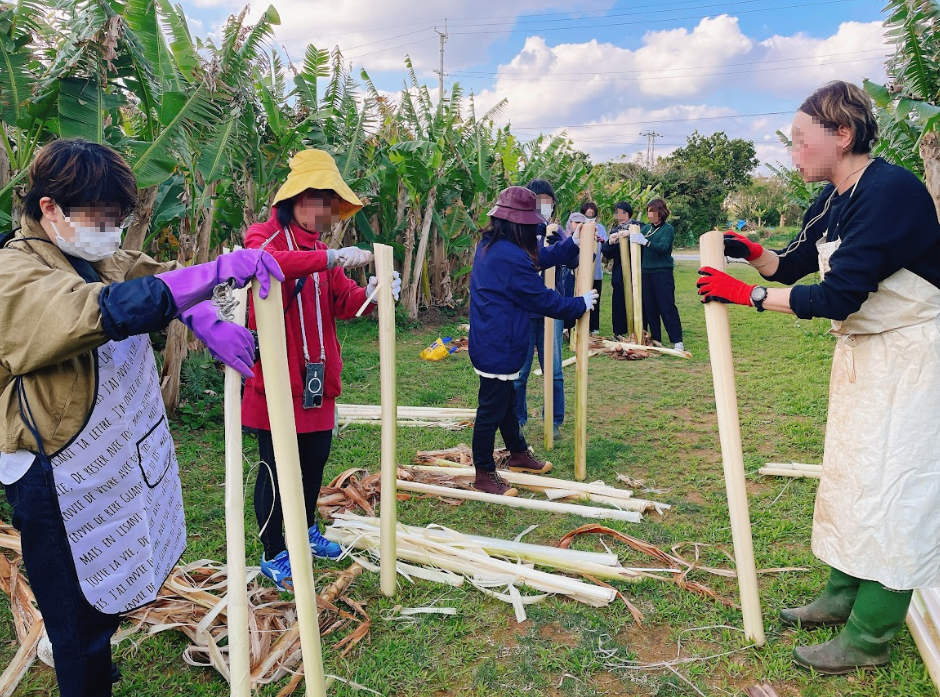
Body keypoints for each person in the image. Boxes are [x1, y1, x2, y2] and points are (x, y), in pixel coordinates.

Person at [0, 138, 282, 696]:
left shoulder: (98, 255)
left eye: (116, 219)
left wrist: (203, 313)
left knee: (108, 577)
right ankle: (82, 670)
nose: (110, 231)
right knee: (73, 603)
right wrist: (216, 273)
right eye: (98, 218)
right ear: (49, 208)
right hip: (51, 469)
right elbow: (99, 310)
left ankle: (93, 656)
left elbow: (156, 275)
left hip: (112, 460)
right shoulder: (15, 271)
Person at [696, 80, 940, 674]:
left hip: (915, 358)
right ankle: (843, 595)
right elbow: (798, 263)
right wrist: (754, 255)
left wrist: (746, 296)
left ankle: (871, 636)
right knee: (854, 475)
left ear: (844, 135)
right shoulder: (834, 196)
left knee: (897, 489)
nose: (795, 152)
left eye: (802, 141)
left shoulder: (891, 192)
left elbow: (837, 295)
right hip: (867, 357)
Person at [242, 149, 401, 590]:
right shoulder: (264, 238)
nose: (325, 213)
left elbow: (345, 303)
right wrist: (329, 260)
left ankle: (306, 530)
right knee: (276, 468)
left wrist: (374, 291)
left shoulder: (321, 249)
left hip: (317, 379)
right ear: (295, 199)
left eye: (331, 204)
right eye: (319, 201)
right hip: (277, 382)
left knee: (313, 463)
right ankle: (274, 552)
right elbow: (267, 267)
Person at [469, 187, 597, 495]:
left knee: (507, 401)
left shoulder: (493, 244)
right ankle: (484, 473)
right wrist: (579, 304)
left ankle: (517, 452)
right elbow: (542, 300)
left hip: (492, 340)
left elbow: (537, 258)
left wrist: (572, 244)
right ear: (517, 225)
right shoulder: (510, 256)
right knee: (490, 410)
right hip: (500, 344)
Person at [513, 179, 568, 439]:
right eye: (537, 200)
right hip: (523, 310)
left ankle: (554, 420)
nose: (543, 205)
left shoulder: (557, 230)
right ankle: (517, 419)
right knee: (519, 371)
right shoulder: (517, 232)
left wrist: (565, 245)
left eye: (547, 200)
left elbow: (581, 258)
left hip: (551, 309)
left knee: (554, 370)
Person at [632, 199, 683, 351]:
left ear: (661, 212)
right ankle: (655, 339)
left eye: (653, 211)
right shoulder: (646, 228)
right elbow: (633, 236)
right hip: (646, 273)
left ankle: (677, 341)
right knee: (650, 307)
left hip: (662, 272)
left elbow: (663, 247)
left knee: (666, 306)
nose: (650, 215)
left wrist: (646, 243)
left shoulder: (668, 229)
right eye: (649, 211)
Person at [602, 201, 642, 339]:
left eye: (623, 213)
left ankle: (639, 330)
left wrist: (630, 233)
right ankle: (619, 332)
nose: (620, 216)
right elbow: (607, 253)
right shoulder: (615, 231)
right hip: (619, 271)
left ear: (628, 213)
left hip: (636, 270)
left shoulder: (639, 226)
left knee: (638, 299)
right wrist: (610, 242)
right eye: (618, 213)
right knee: (619, 300)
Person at [580, 201, 608, 335]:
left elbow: (606, 244)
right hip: (581, 271)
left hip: (596, 271)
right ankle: (580, 325)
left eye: (592, 215)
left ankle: (594, 327)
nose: (590, 217)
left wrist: (601, 240)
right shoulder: (580, 226)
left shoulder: (600, 228)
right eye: (587, 214)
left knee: (595, 299)